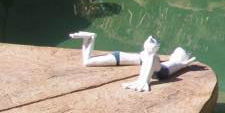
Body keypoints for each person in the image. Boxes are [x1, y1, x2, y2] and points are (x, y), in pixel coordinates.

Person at [68, 32, 197, 92]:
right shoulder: (165, 62)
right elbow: (154, 60)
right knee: (88, 62)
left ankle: (90, 38)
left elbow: (153, 61)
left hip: (121, 57)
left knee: (87, 62)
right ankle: (91, 37)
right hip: (122, 58)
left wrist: (141, 82)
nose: (175, 54)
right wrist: (142, 82)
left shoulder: (165, 61)